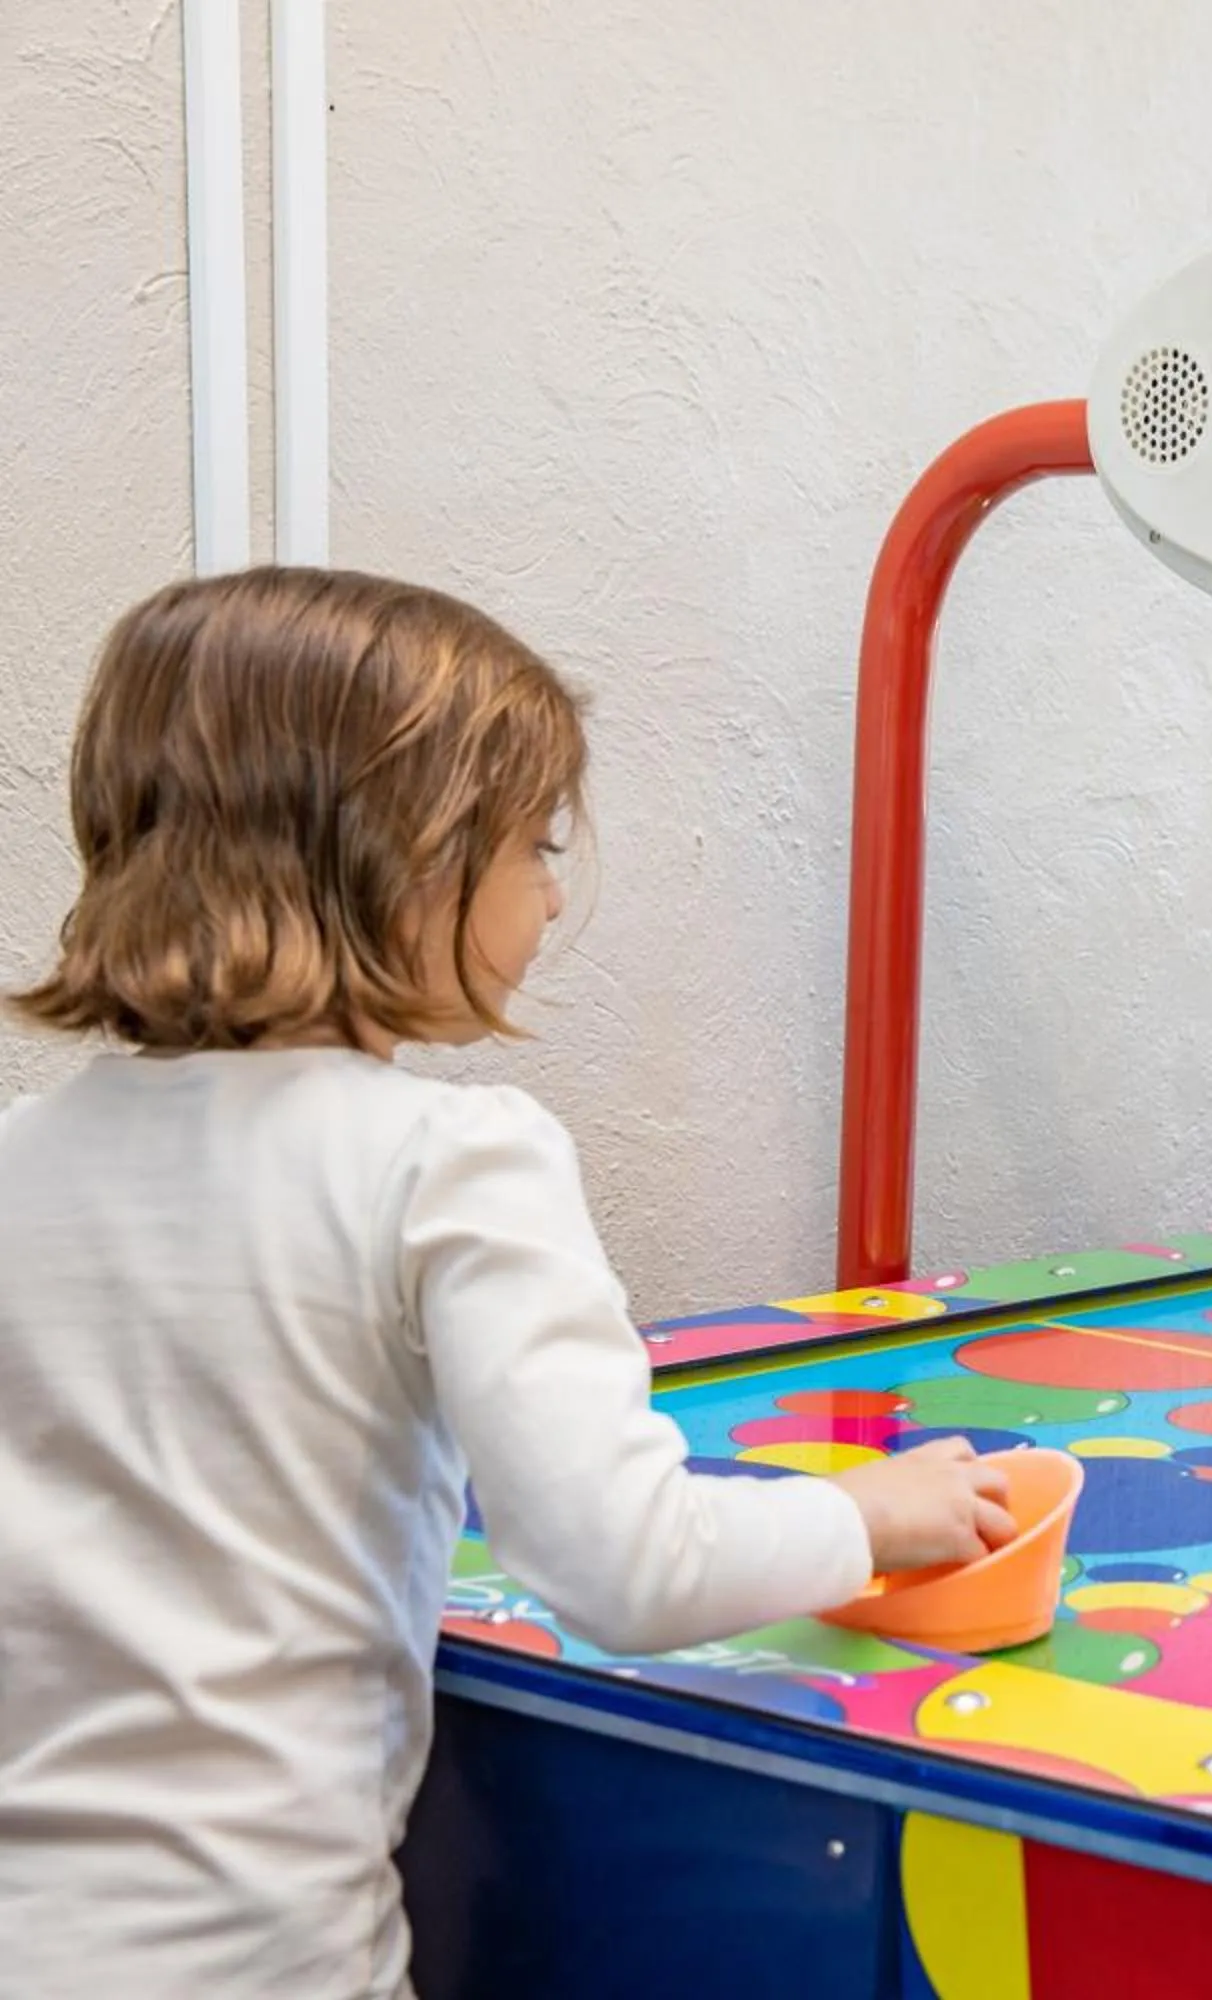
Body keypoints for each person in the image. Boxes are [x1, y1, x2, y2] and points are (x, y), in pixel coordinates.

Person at [0, 568, 1017, 1996]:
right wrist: (863, 1513)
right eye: (536, 844)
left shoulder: (21, 1158)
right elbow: (624, 1564)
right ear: (405, 857)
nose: (553, 892)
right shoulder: (452, 1160)